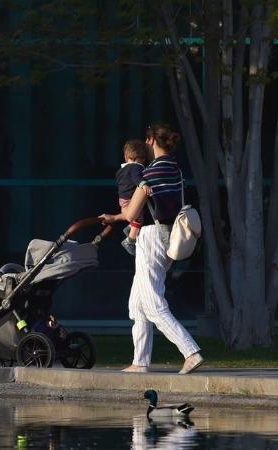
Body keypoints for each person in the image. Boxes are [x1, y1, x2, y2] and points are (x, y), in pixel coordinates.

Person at [99, 123, 204, 375]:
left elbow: (132, 212)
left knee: (153, 302)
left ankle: (190, 351)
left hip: (152, 237)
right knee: (137, 303)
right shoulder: (175, 169)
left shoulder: (151, 171)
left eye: (147, 141)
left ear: (150, 140)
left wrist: (114, 218)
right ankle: (140, 362)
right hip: (166, 235)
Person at [114, 139, 148, 256]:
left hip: (122, 199)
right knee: (139, 219)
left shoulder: (121, 170)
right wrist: (143, 184)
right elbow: (136, 177)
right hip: (130, 199)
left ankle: (129, 227)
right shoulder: (137, 167)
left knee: (135, 217)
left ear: (125, 157)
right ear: (143, 158)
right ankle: (130, 240)